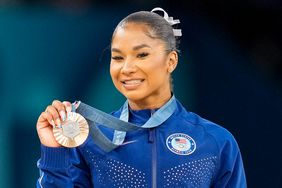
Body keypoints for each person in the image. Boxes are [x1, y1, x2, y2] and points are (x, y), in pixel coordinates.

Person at [36, 7, 247, 188]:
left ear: (171, 61)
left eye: (142, 55)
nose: (127, 68)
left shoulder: (216, 142)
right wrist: (54, 151)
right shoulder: (91, 140)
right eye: (117, 57)